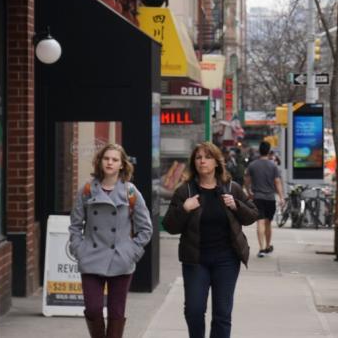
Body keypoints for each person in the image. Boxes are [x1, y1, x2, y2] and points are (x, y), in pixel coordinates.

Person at [162, 141, 258, 338]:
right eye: (198, 158)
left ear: (216, 162)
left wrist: (236, 205)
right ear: (193, 163)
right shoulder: (185, 191)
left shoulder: (232, 188)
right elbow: (170, 226)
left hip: (227, 260)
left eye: (207, 157)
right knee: (194, 311)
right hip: (196, 260)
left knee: (222, 314)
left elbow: (252, 216)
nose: (202, 161)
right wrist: (184, 209)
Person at [69, 143, 153, 338]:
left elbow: (146, 228)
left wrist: (132, 252)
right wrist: (79, 249)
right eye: (106, 158)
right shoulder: (87, 190)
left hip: (120, 259)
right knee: (93, 309)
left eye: (115, 160)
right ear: (100, 161)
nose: (110, 162)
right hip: (91, 256)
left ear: (122, 165)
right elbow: (75, 225)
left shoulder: (130, 192)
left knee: (116, 312)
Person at [244, 141, 285, 257]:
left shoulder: (252, 165)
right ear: (268, 151)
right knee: (268, 223)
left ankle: (261, 248)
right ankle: (267, 246)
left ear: (259, 151)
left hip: (257, 197)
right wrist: (281, 197)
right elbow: (277, 182)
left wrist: (249, 192)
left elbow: (246, 180)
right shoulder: (273, 166)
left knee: (260, 222)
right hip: (270, 198)